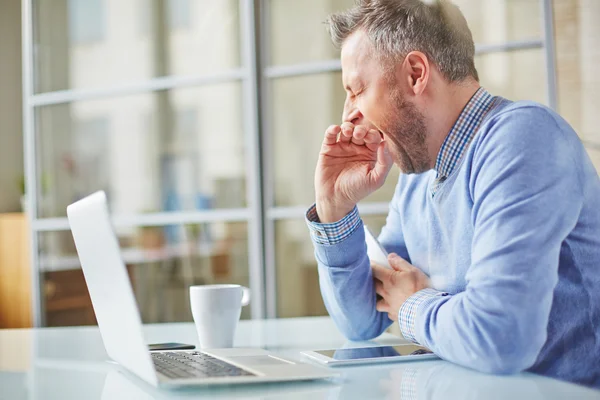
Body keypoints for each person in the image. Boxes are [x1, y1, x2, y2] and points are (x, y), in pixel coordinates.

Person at [305, 0, 600, 388]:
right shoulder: (419, 176)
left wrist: (412, 305)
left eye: (357, 90)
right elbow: (363, 320)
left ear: (415, 73)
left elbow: (502, 338)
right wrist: (335, 209)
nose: (348, 115)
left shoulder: (523, 139)